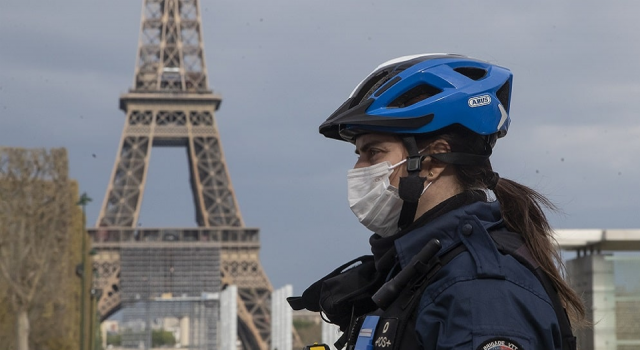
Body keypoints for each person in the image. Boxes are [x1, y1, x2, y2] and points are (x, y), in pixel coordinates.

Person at [289, 54, 585, 350]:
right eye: (359, 156)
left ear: (431, 161)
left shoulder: (478, 293)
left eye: (374, 153)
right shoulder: (421, 270)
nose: (358, 170)